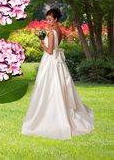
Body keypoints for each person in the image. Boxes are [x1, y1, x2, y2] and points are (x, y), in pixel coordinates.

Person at [21, 8, 94, 140]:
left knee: (48, 87)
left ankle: (49, 114)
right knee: (58, 86)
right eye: (47, 19)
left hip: (50, 62)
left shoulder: (51, 33)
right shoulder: (59, 31)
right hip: (57, 63)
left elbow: (49, 51)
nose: (48, 22)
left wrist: (42, 43)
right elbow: (56, 47)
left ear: (55, 19)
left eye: (49, 19)